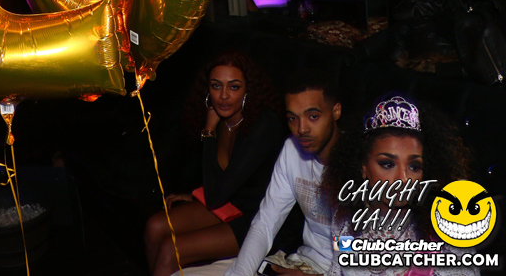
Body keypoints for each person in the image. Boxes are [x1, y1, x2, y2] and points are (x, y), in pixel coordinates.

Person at [144, 51, 286, 276]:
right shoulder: (222, 119)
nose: (224, 96)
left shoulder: (264, 125)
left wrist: (209, 131)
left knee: (171, 250)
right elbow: (219, 182)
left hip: (259, 216)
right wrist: (197, 193)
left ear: (248, 89)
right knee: (154, 227)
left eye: (234, 87)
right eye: (216, 86)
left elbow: (217, 194)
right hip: (227, 202)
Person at [321, 94, 477, 276]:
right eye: (387, 164)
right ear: (363, 168)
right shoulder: (345, 219)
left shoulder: (444, 230)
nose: (403, 179)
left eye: (414, 166)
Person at [224, 70, 342, 276]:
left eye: (313, 116)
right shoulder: (292, 150)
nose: (301, 129)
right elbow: (266, 222)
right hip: (304, 262)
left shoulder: (365, 163)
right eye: (292, 118)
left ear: (336, 112)